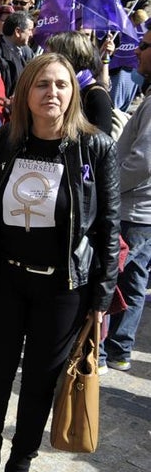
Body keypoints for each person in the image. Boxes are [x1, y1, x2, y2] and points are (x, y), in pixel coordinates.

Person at [0, 53, 119, 472]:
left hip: (62, 289)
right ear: (25, 93)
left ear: (73, 93)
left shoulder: (95, 148)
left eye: (61, 85)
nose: (52, 93)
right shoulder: (8, 141)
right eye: (42, 85)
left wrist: (102, 297)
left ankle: (19, 467)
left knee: (39, 384)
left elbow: (109, 226)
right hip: (6, 282)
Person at [102, 30, 151, 372]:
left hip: (134, 211)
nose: (135, 51)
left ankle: (102, 351)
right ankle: (120, 349)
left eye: (144, 46)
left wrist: (110, 187)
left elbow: (143, 161)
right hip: (142, 212)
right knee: (134, 280)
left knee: (113, 280)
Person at [43, 31, 114, 134]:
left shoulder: (97, 95)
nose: (46, 60)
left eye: (51, 55)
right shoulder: (65, 86)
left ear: (68, 57)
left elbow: (101, 138)